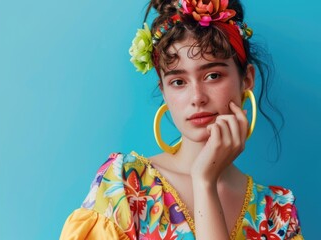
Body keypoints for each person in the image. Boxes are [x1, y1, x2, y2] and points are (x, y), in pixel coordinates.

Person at [60, 0, 304, 239]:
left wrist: (204, 183)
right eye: (178, 82)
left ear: (247, 79)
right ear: (164, 91)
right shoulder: (125, 187)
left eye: (213, 75)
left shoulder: (276, 213)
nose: (197, 97)